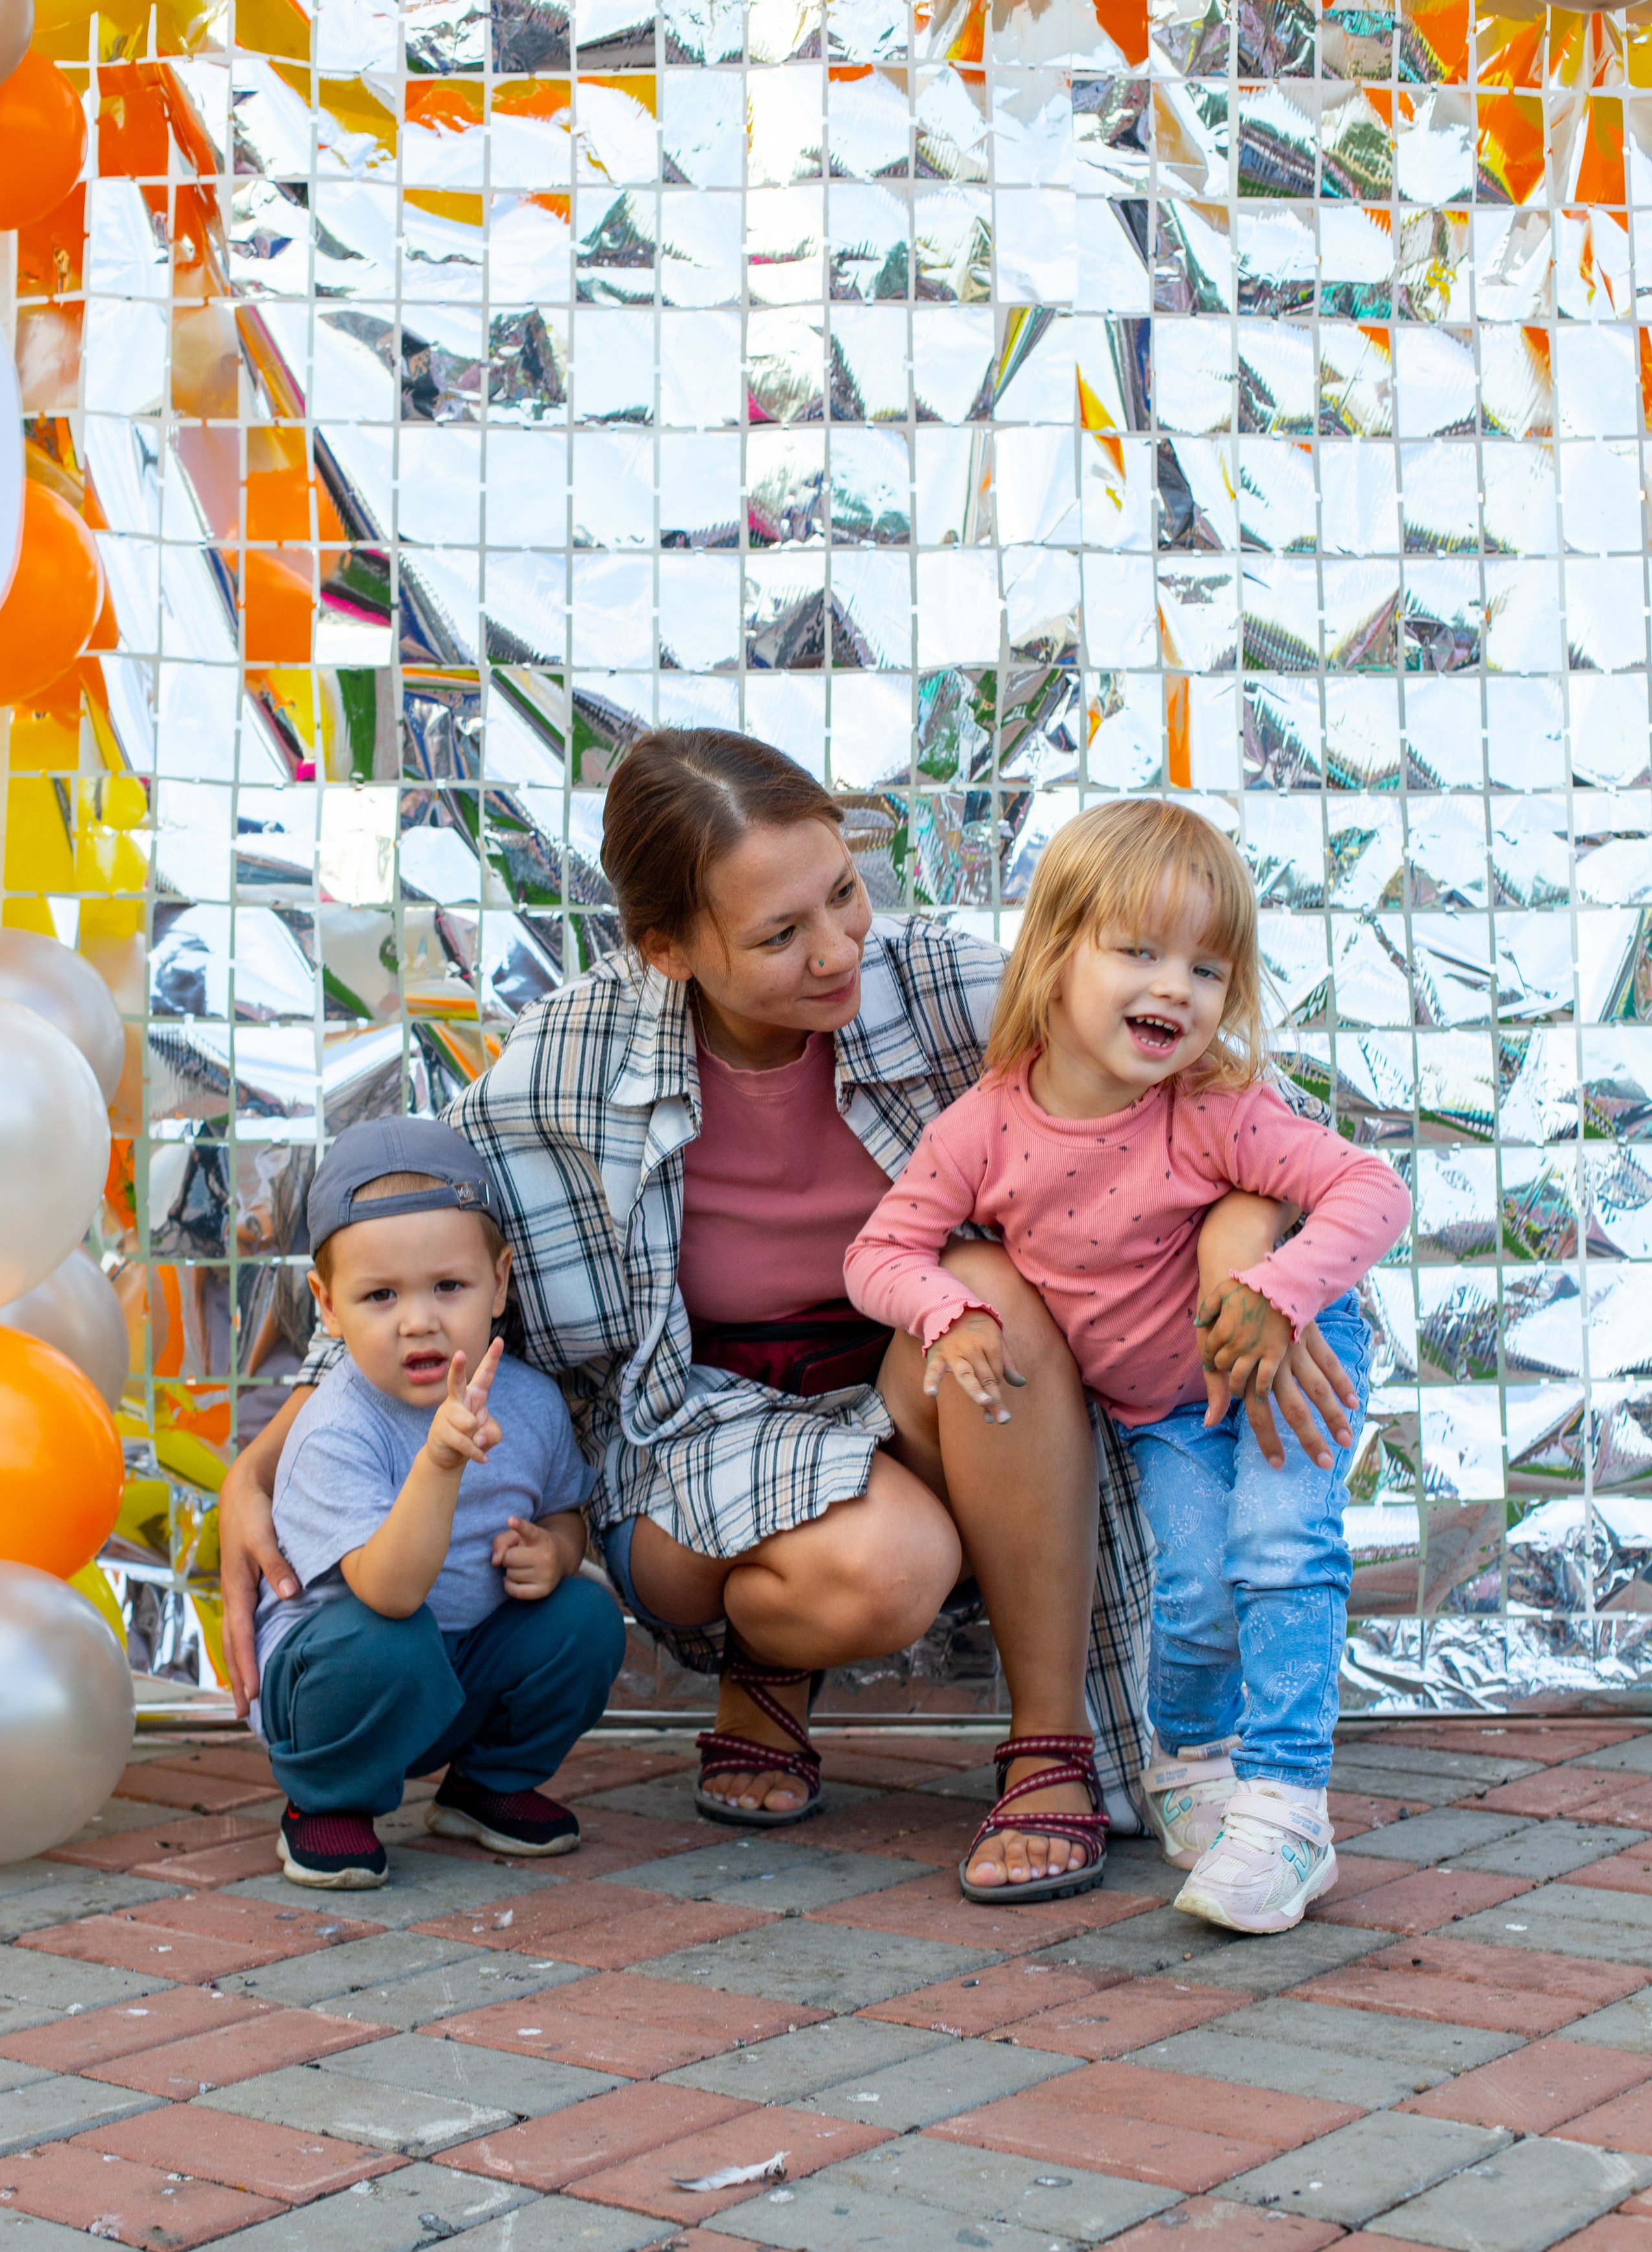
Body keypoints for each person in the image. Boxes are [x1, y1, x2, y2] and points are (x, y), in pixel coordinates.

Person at [221, 731, 1360, 1899]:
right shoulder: (572, 1055)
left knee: (993, 1297)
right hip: (698, 1434)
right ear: (669, 950)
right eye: (779, 934)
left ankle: (1045, 1747)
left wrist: (1238, 1254)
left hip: (914, 1396)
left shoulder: (941, 988)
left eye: (845, 894)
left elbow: (1222, 1106)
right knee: (887, 1568)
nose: (836, 950)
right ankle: (762, 1662)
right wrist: (267, 1455)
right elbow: (412, 1230)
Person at [845, 799, 1410, 1930]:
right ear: (1056, 957)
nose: (1176, 988)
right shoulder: (986, 1128)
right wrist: (946, 1312)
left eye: (1207, 966)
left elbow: (1373, 1190)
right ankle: (1193, 1763)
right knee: (1193, 1589)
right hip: (1161, 1410)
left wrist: (1276, 1293)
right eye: (1139, 950)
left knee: (1282, 1549)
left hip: (1284, 1354)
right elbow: (879, 1251)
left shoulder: (1211, 1112)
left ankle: (1293, 1807)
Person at [252, 1117, 626, 1890]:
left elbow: (563, 1509)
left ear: (501, 1282)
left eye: (448, 1287)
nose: (418, 1319)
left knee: (584, 1618)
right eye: (380, 1295)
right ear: (326, 1305)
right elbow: (389, 1592)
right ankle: (328, 1802)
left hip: (459, 1671)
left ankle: (485, 1784)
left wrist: (556, 1551)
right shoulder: (335, 1427)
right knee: (388, 1640)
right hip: (344, 1686)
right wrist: (440, 1461)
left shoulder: (527, 1402)